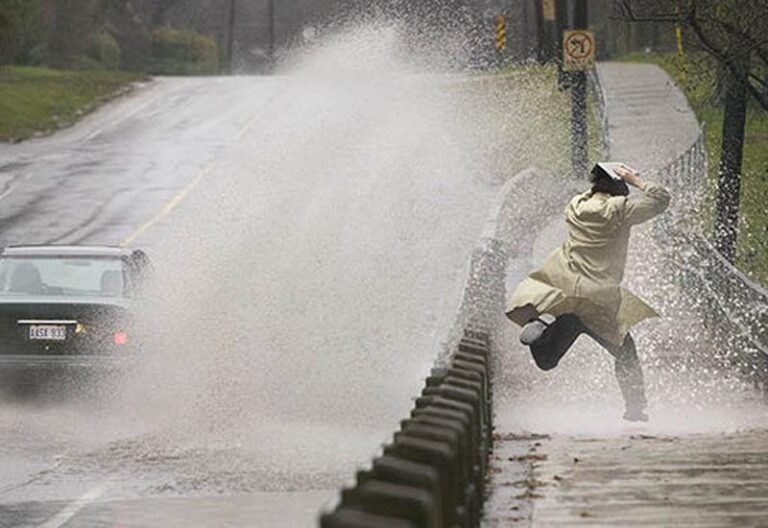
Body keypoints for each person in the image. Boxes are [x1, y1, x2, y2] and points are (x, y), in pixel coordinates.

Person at [506, 163, 671, 422]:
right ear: (619, 186)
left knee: (547, 361)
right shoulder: (621, 210)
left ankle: (541, 330)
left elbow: (592, 192)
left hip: (565, 295)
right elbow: (661, 199)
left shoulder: (576, 206)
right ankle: (635, 408)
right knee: (625, 349)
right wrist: (636, 179)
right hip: (598, 300)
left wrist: (608, 176)